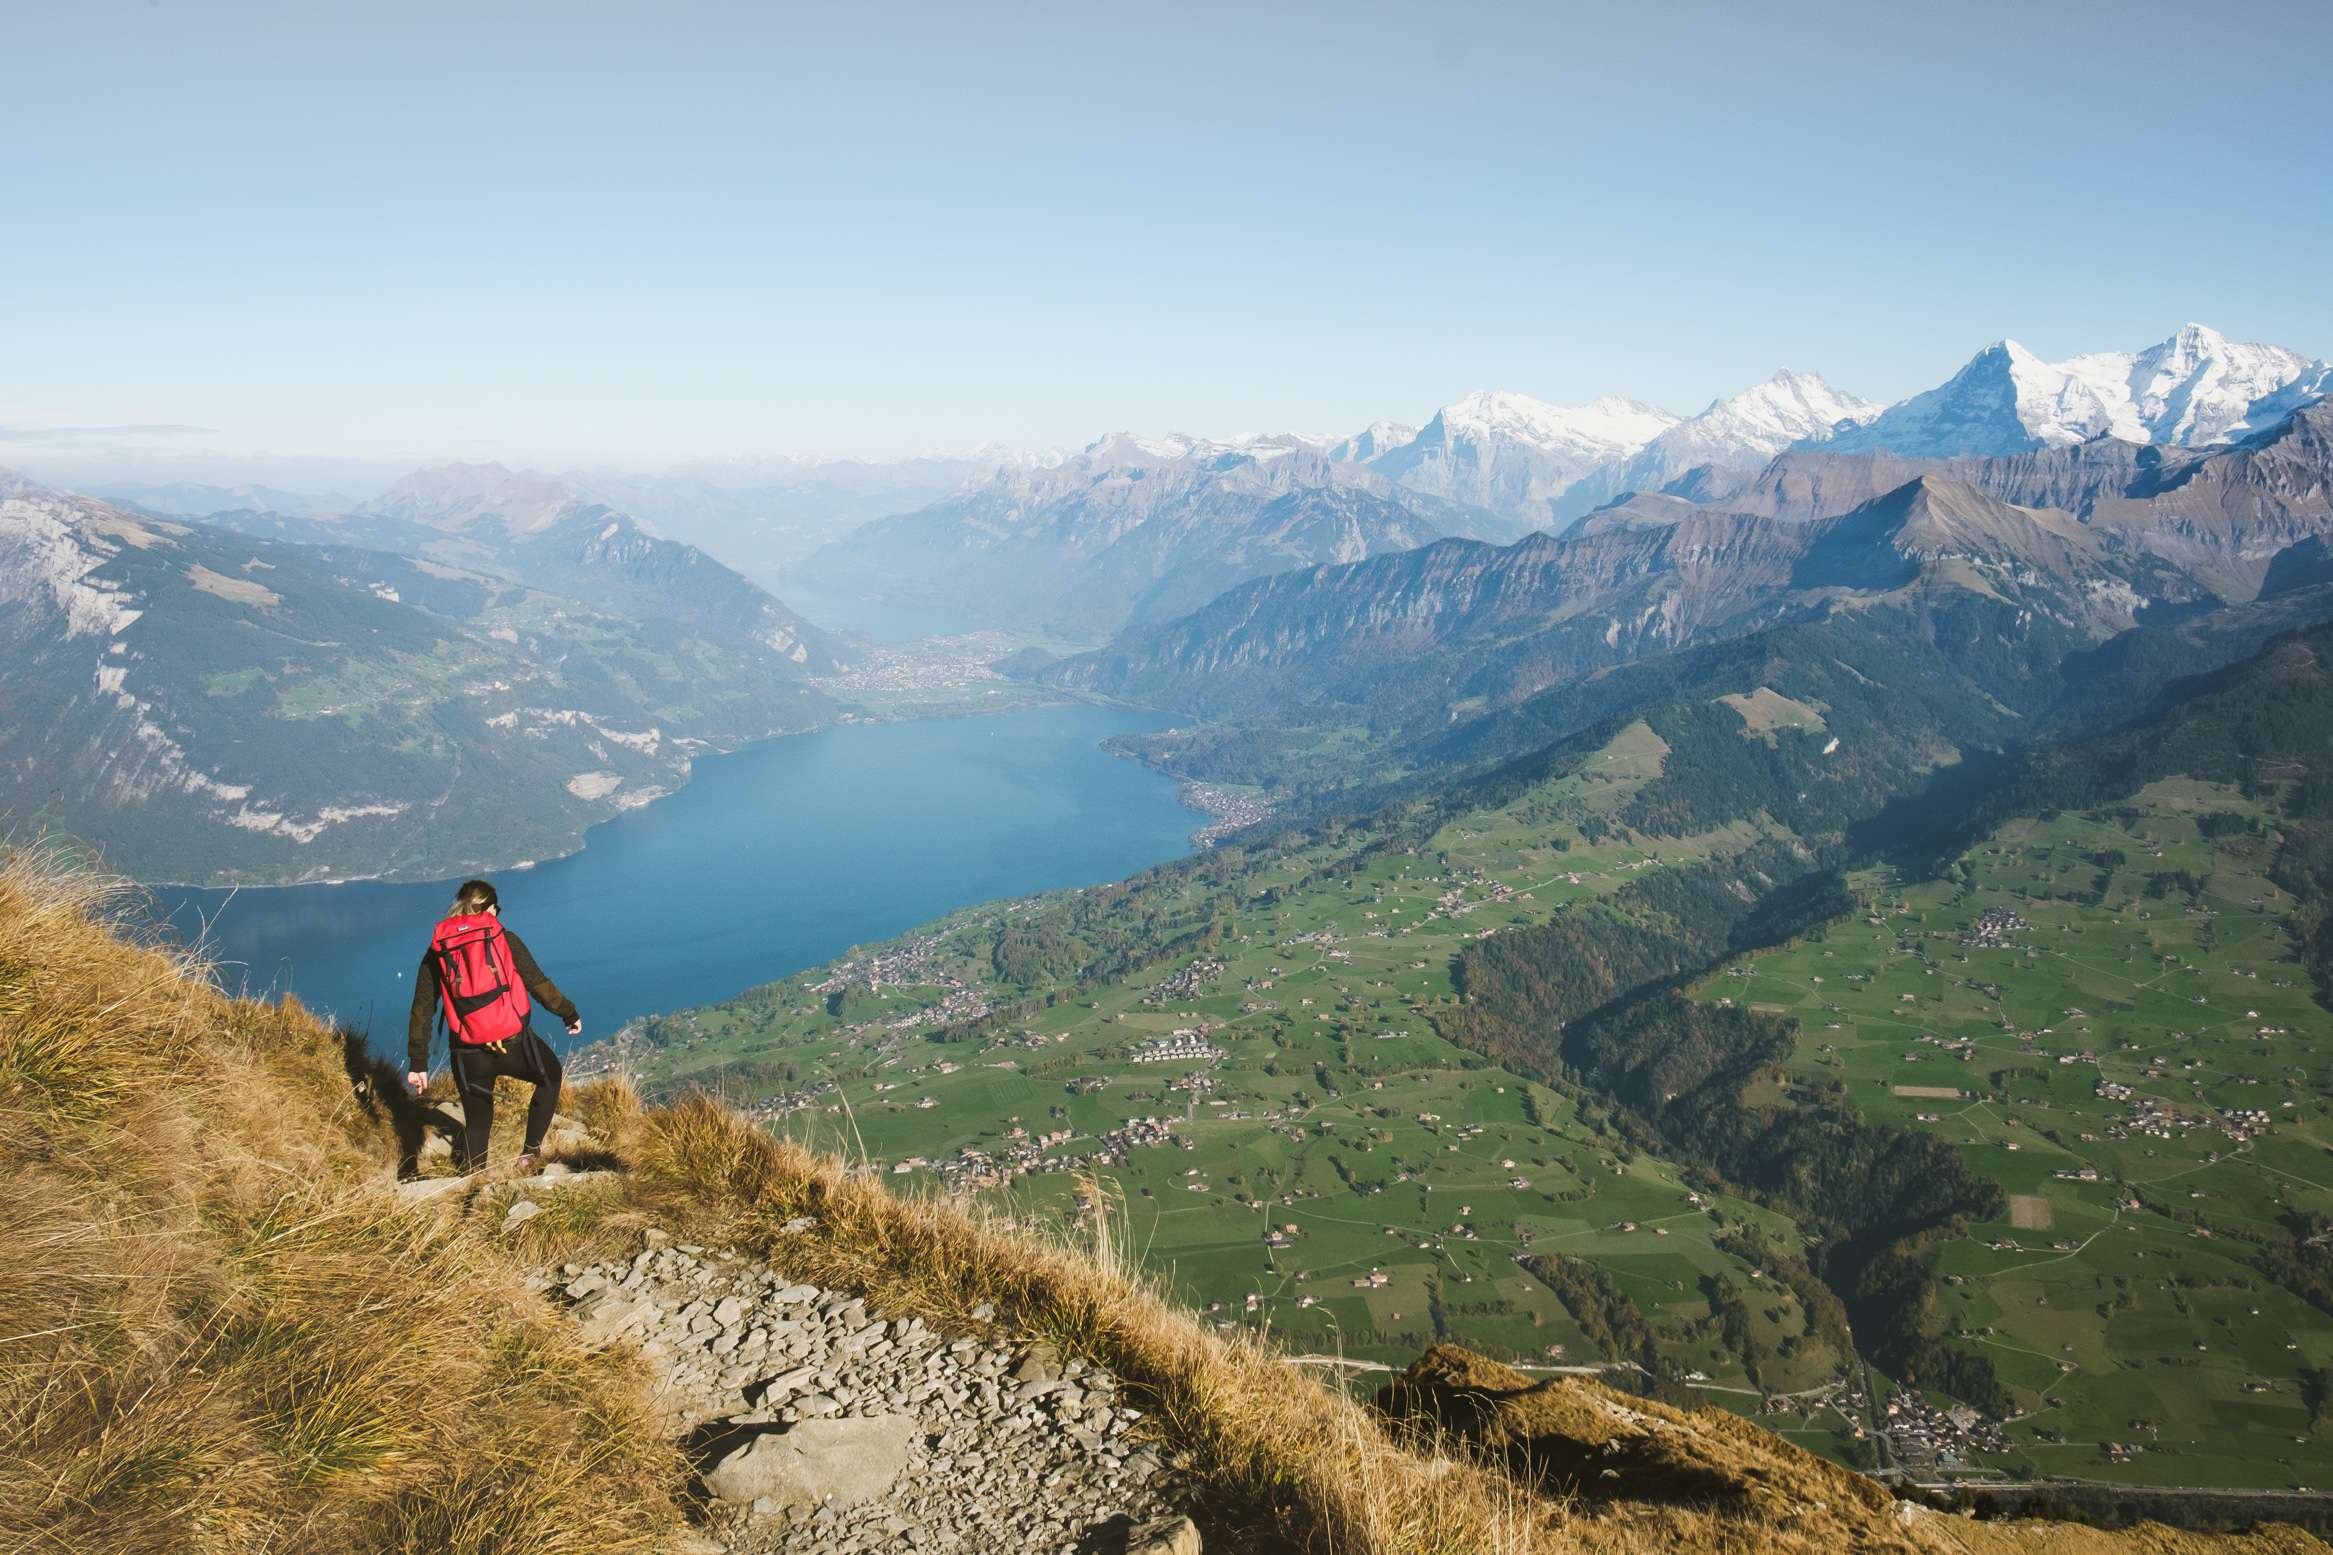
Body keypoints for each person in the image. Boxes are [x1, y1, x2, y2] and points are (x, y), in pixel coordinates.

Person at [406, 878, 581, 1173]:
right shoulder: (503, 938)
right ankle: (529, 1155)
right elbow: (538, 985)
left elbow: (423, 1008)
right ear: (489, 909)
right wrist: (568, 1013)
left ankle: (474, 1181)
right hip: (514, 1043)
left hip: (468, 1051)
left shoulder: (439, 950)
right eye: (496, 908)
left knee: (477, 1120)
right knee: (550, 1077)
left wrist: (418, 1062)